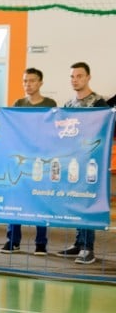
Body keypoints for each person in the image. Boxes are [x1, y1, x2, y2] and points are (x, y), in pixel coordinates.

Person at [56, 62, 107, 265]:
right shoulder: (68, 105)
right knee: (76, 203)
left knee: (87, 202)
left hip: (92, 163)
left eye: (79, 76)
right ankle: (79, 243)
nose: (75, 79)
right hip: (73, 163)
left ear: (88, 78)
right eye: (72, 76)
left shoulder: (99, 103)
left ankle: (88, 248)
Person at [2, 68, 57, 255]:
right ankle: (13, 241)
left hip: (42, 160)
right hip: (21, 161)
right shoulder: (18, 104)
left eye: (32, 81)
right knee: (15, 200)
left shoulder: (50, 104)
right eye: (25, 81)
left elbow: (51, 132)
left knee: (40, 201)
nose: (28, 84)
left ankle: (41, 243)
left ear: (40, 83)